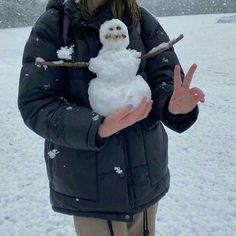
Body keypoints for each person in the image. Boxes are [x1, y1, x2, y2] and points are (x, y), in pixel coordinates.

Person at [17, 0, 205, 235]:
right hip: (89, 187)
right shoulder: (55, 25)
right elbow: (36, 103)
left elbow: (164, 79)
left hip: (144, 175)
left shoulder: (139, 20)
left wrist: (172, 105)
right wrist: (96, 127)